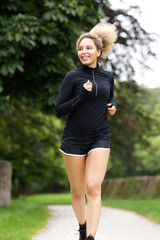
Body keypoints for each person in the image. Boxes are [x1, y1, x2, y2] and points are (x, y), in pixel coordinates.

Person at [55, 22, 117, 240]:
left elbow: (109, 97)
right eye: (80, 49)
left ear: (99, 52)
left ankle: (91, 236)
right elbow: (59, 110)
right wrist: (80, 95)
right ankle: (83, 228)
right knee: (78, 192)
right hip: (74, 139)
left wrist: (112, 106)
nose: (84, 52)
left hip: (100, 136)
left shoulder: (108, 77)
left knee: (93, 187)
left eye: (88, 48)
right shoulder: (72, 77)